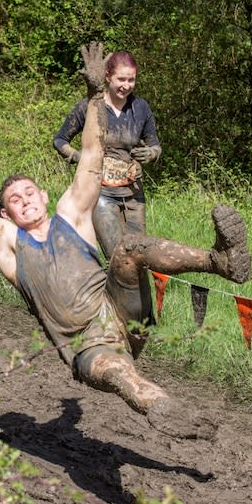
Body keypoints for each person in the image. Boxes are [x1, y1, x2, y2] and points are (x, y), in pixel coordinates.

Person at [0, 42, 251, 440]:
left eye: (28, 193)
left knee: (129, 248)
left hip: (122, 311)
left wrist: (95, 96)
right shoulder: (7, 243)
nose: (24, 202)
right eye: (14, 201)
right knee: (120, 372)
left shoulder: (71, 215)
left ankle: (221, 262)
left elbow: (92, 153)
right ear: (5, 214)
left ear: (43, 196)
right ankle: (165, 407)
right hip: (87, 347)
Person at [53, 50, 160, 329]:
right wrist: (82, 159)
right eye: (121, 79)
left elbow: (155, 144)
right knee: (118, 256)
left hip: (134, 192)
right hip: (101, 191)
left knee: (140, 255)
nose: (126, 86)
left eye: (132, 80)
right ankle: (119, 318)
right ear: (108, 78)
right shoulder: (90, 106)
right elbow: (60, 140)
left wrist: (152, 153)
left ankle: (146, 321)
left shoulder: (141, 108)